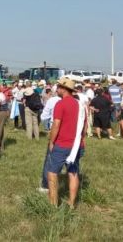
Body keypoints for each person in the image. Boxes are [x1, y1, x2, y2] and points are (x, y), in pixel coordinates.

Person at [44, 78, 87, 208]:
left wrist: (51, 141)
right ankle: (72, 203)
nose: (57, 90)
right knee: (73, 173)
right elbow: (84, 127)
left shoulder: (60, 104)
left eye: (58, 87)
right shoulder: (81, 105)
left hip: (62, 144)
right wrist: (80, 139)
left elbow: (56, 124)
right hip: (76, 145)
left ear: (63, 89)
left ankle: (53, 204)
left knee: (52, 173)